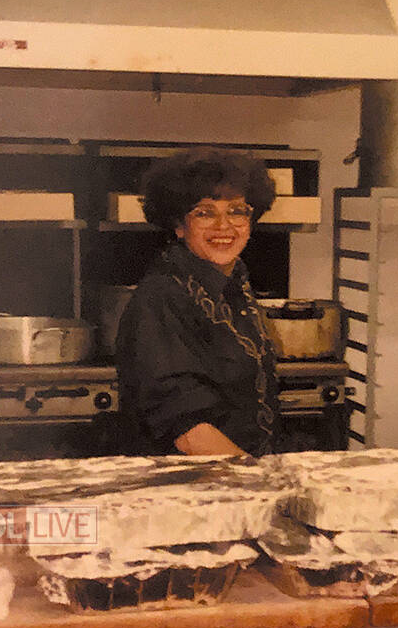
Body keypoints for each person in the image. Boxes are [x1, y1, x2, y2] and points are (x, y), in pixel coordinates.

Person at [115, 147, 280, 458]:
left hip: (233, 473)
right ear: (179, 225)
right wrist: (258, 478)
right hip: (185, 481)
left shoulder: (235, 287)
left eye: (237, 211)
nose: (223, 226)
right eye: (204, 213)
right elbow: (188, 432)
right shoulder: (162, 298)